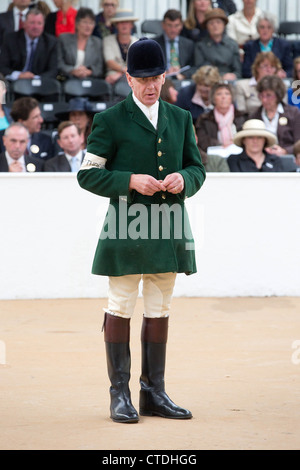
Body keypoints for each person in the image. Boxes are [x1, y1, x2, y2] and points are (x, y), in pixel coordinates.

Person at [77, 37, 206, 423]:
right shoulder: (109, 120)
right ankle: (120, 395)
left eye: (157, 78)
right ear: (128, 79)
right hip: (126, 226)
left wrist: (185, 178)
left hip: (168, 226)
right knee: (120, 305)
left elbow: (197, 168)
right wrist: (129, 180)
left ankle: (154, 392)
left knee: (160, 307)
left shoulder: (181, 118)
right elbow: (87, 174)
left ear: (166, 77)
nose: (151, 86)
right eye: (142, 78)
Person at [0, 8, 58, 81]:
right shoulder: (10, 39)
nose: (35, 27)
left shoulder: (51, 42)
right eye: (32, 23)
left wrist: (35, 78)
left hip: (41, 83)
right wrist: (19, 75)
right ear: (24, 24)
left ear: (43, 25)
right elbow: (2, 66)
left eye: (39, 23)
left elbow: (53, 70)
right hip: (15, 81)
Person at [249, 75, 300, 156]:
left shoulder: (293, 113)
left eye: (269, 95)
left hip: (288, 158)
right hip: (262, 157)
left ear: (278, 96)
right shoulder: (255, 115)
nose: (264, 100)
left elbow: (299, 142)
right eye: (261, 96)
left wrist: (285, 151)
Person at [195, 80, 246, 153]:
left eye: (227, 94)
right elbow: (202, 140)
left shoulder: (242, 116)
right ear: (213, 98)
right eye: (219, 94)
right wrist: (220, 144)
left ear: (231, 98)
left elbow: (247, 138)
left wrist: (234, 143)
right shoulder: (204, 119)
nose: (223, 97)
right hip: (214, 155)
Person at [194, 8, 241, 81]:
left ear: (224, 25)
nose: (215, 26)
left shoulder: (233, 44)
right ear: (207, 26)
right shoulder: (200, 45)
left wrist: (233, 75)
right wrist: (219, 77)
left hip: (229, 82)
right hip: (208, 82)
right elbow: (200, 69)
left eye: (218, 22)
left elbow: (238, 70)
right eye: (211, 23)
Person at [242, 13, 293, 79]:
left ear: (273, 30)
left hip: (278, 82)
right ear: (257, 29)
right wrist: (260, 74)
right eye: (262, 27)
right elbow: (245, 71)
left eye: (269, 27)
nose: (265, 30)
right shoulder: (249, 46)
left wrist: (283, 74)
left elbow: (290, 69)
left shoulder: (284, 45)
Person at [57, 7, 104, 79]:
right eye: (85, 22)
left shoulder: (98, 42)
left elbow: (99, 68)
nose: (88, 26)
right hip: (67, 79)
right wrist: (72, 71)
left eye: (91, 23)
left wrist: (89, 72)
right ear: (77, 24)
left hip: (89, 80)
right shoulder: (64, 39)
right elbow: (59, 63)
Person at [234, 51, 285, 117]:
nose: (269, 70)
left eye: (272, 66)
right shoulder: (242, 85)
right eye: (265, 66)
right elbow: (240, 111)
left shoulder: (281, 86)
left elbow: (284, 109)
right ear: (257, 68)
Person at [153, 9, 195, 80]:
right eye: (169, 25)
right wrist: (164, 72)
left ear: (181, 26)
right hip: (162, 80)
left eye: (176, 25)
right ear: (163, 25)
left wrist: (182, 74)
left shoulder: (189, 44)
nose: (173, 30)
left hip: (182, 80)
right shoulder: (154, 44)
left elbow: (194, 66)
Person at [102, 9, 138, 85]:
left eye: (127, 22)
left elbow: (139, 64)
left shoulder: (137, 42)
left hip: (132, 78)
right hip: (112, 78)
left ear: (131, 25)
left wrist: (120, 74)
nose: (124, 25)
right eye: (121, 22)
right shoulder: (108, 40)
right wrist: (124, 71)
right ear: (116, 25)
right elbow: (109, 62)